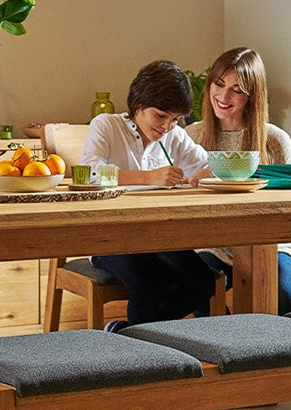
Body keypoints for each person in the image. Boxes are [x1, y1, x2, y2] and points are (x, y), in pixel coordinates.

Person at [80, 60, 216, 330]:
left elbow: (206, 164)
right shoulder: (106, 125)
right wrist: (149, 178)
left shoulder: (174, 136)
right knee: (148, 286)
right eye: (160, 115)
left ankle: (126, 334)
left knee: (203, 280)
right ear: (139, 105)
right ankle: (143, 355)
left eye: (175, 119)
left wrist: (207, 174)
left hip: (158, 235)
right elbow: (89, 174)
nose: (167, 126)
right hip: (109, 236)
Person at [186, 46, 291, 314]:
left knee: (289, 297)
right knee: (201, 290)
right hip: (210, 246)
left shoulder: (274, 139)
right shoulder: (191, 136)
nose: (223, 95)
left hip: (269, 244)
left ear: (252, 96)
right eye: (219, 84)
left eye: (237, 90)